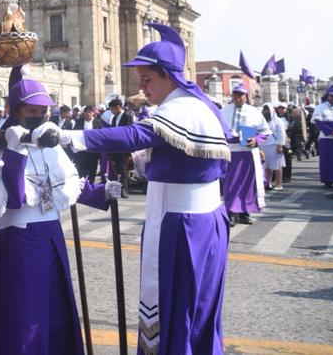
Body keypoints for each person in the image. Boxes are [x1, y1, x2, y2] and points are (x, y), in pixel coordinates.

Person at [37, 23, 231, 355]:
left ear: (169, 76)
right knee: (197, 307)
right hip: (204, 220)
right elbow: (181, 163)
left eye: (147, 79)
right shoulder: (198, 107)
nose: (141, 86)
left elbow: (132, 136)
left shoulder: (180, 109)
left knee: (176, 305)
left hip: (179, 224)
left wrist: (72, 137)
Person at [0, 74, 119, 355]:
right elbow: (14, 197)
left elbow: (66, 182)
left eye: (42, 111)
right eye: (31, 111)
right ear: (16, 112)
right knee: (26, 308)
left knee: (55, 304)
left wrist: (103, 192)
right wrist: (14, 150)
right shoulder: (7, 148)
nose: (39, 116)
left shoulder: (50, 143)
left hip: (51, 234)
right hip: (22, 238)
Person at [219, 84, 270, 225]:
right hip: (230, 152)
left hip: (248, 153)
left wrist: (256, 140)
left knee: (247, 184)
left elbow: (265, 132)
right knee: (231, 184)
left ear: (246, 96)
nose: (237, 97)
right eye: (235, 94)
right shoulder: (223, 111)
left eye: (240, 95)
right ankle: (230, 212)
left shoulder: (254, 112)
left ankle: (244, 213)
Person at [313, 85, 333, 187]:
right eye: (331, 96)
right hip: (327, 138)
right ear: (327, 96)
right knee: (328, 160)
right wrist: (332, 132)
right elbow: (319, 122)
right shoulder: (320, 107)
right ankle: (328, 179)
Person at [260, 102, 288, 191]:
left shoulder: (278, 121)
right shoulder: (261, 121)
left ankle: (279, 184)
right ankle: (268, 183)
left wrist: (280, 145)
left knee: (277, 166)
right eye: (265, 109)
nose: (266, 111)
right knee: (267, 166)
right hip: (263, 146)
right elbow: (261, 133)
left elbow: (281, 134)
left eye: (268, 109)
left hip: (275, 145)